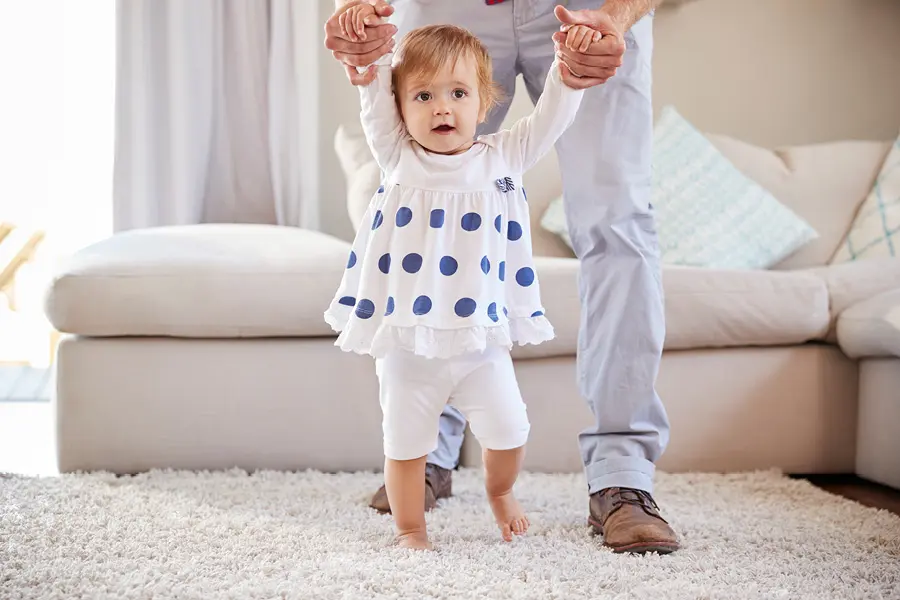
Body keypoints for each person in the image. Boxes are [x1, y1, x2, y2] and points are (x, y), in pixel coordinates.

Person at [325, 0, 680, 555]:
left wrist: (616, 16)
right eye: (425, 100)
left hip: (584, 12)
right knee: (415, 200)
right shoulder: (398, 147)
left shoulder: (507, 154)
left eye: (457, 99)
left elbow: (550, 123)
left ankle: (623, 474)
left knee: (619, 225)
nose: (444, 108)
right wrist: (357, 20)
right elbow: (375, 103)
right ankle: (425, 460)